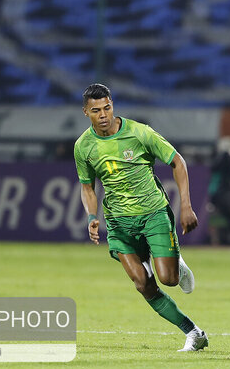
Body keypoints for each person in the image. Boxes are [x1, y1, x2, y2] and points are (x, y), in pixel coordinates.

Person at [74, 83, 208, 352]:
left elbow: (177, 161)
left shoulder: (139, 133)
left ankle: (176, 263)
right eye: (96, 110)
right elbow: (87, 186)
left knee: (168, 280)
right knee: (143, 285)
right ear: (86, 112)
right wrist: (91, 215)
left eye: (107, 108)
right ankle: (194, 333)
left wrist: (186, 206)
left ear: (113, 105)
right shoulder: (83, 147)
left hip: (153, 214)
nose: (103, 114)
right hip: (118, 223)